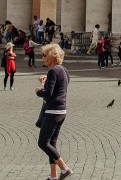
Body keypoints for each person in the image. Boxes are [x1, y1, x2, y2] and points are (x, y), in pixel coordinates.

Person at [35, 44, 72, 180]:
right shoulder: (63, 70)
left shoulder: (52, 71)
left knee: (43, 143)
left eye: (44, 56)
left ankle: (64, 168)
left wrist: (39, 91)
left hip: (53, 111)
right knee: (52, 143)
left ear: (51, 57)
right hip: (62, 111)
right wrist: (45, 83)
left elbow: (48, 94)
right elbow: (60, 89)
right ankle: (53, 176)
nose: (43, 58)